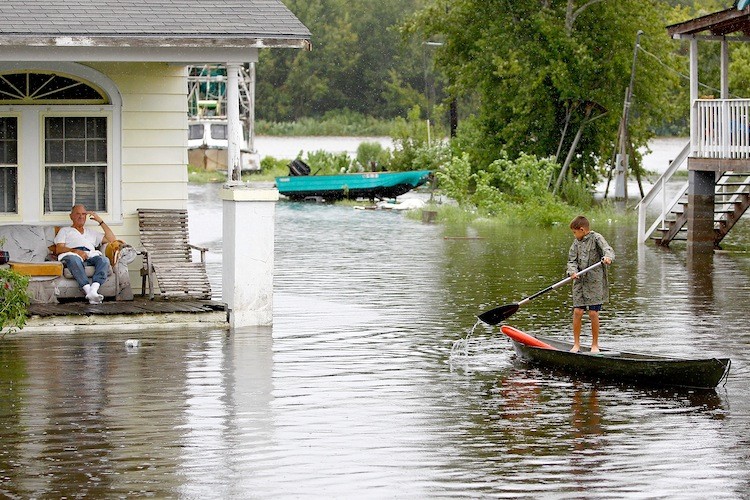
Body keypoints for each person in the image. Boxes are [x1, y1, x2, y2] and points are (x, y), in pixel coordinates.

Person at [567, 215, 615, 353]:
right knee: (578, 311)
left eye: (575, 232)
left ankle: (595, 345)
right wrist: (572, 271)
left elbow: (608, 250)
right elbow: (571, 261)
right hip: (579, 282)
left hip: (594, 283)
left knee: (593, 313)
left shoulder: (596, 238)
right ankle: (576, 344)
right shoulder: (576, 243)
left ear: (582, 229)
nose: (574, 235)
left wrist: (608, 258)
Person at [54, 204, 117, 304]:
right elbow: (59, 248)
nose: (81, 216)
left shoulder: (91, 232)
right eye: (77, 214)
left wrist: (100, 221)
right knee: (74, 259)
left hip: (90, 255)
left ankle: (93, 291)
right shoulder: (65, 230)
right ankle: (89, 291)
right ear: (71, 216)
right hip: (72, 255)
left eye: (83, 214)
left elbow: (112, 240)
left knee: (104, 260)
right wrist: (76, 251)